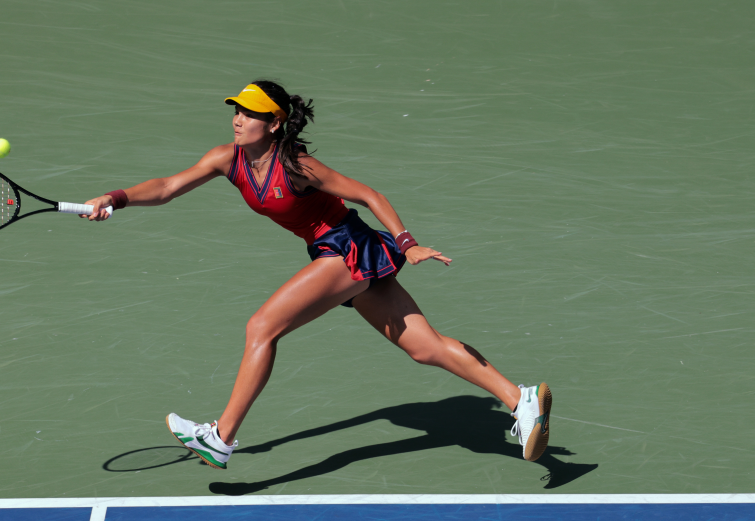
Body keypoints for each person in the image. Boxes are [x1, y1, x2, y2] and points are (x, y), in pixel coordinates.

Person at [83, 81, 551, 470]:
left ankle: (220, 437)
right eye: (237, 111)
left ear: (275, 124)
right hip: (340, 252)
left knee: (262, 327)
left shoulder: (298, 166)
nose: (238, 119)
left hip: (345, 249)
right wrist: (115, 198)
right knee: (424, 348)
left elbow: (368, 194)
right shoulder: (227, 159)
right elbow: (166, 188)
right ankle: (520, 399)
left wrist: (408, 244)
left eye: (251, 113)